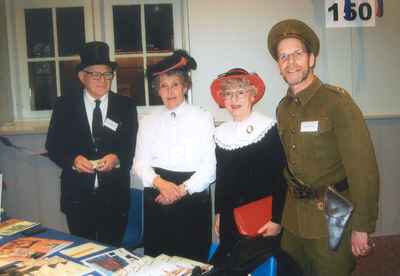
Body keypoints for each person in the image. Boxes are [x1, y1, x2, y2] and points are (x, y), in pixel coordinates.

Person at [267, 19, 379, 276]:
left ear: (311, 58)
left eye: (297, 54)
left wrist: (362, 225)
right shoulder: (283, 108)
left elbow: (363, 168)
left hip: (333, 214)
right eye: (284, 56)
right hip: (294, 217)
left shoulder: (336, 102)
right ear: (278, 66)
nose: (291, 62)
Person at [46, 41, 138, 246]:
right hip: (77, 197)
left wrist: (117, 158)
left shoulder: (126, 106)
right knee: (82, 253)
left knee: (111, 255)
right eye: (95, 74)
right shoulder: (64, 105)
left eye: (107, 74)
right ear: (82, 76)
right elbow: (53, 145)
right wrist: (72, 159)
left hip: (114, 197)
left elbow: (131, 146)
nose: (102, 79)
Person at [133, 50, 215, 262]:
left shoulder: (203, 118)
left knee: (191, 264)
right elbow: (139, 164)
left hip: (192, 197)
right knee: (157, 263)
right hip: (157, 196)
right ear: (157, 90)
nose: (169, 91)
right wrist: (160, 183)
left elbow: (210, 167)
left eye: (175, 85)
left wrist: (179, 190)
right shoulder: (147, 121)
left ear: (185, 86)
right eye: (163, 86)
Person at [209, 68, 287, 275]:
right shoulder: (220, 132)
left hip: (261, 219)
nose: (234, 99)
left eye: (240, 92)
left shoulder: (268, 128)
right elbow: (222, 177)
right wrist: (219, 213)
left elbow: (281, 177)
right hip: (230, 218)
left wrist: (277, 219)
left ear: (253, 95)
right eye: (228, 93)